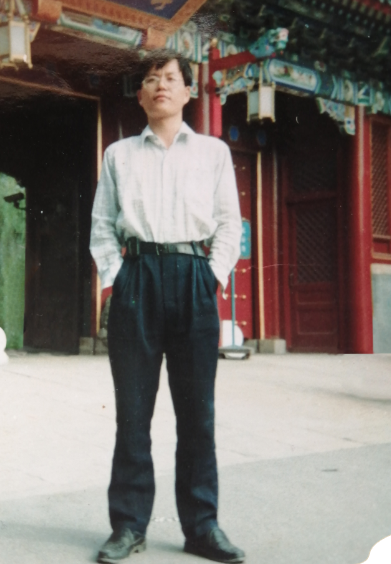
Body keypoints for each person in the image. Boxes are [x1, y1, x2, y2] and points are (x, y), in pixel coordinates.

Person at [90, 49, 244, 564]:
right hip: (137, 277)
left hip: (194, 276)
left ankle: (202, 526)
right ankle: (128, 525)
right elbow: (102, 226)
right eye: (152, 79)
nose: (161, 85)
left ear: (188, 92)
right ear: (140, 95)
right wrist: (117, 277)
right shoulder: (118, 155)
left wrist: (212, 277)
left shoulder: (213, 153)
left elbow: (229, 223)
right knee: (133, 414)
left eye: (172, 78)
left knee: (197, 414)